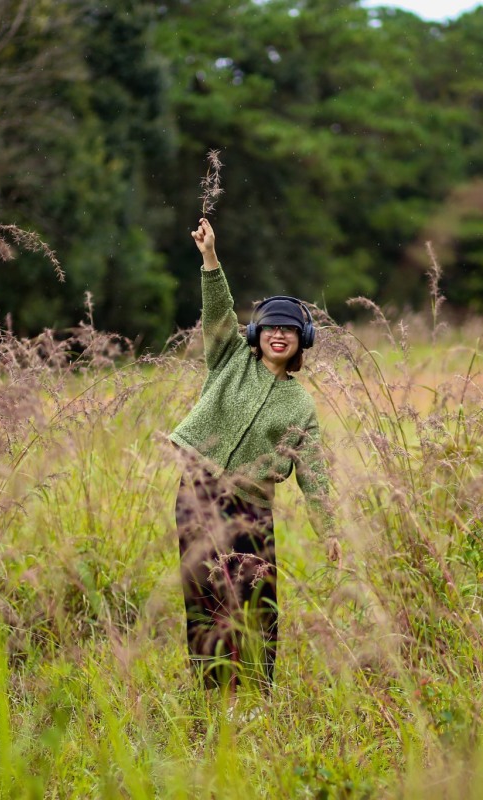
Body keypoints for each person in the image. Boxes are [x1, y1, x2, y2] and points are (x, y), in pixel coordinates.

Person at [170, 217, 338, 693]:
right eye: (271, 328)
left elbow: (314, 471)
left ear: (302, 340)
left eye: (289, 331)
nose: (278, 336)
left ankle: (258, 692)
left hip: (252, 509)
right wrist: (210, 259)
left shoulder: (300, 404)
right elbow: (218, 310)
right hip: (198, 493)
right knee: (203, 596)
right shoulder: (229, 359)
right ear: (256, 333)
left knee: (256, 598)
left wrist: (329, 529)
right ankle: (212, 693)